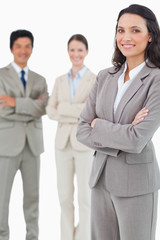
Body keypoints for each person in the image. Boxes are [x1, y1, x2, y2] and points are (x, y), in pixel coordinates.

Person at [76, 4, 160, 240]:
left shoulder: (156, 79)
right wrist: (123, 130)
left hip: (136, 185)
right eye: (121, 30)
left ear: (150, 35)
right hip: (100, 180)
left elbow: (136, 141)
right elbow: (81, 130)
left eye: (135, 30)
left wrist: (98, 125)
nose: (126, 37)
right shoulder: (105, 76)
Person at [46, 34, 96, 240]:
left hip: (84, 144)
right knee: (64, 197)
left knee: (85, 198)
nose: (76, 54)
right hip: (62, 144)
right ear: (68, 52)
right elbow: (50, 110)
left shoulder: (95, 79)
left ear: (86, 52)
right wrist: (78, 110)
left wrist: (64, 108)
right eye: (72, 50)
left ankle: (83, 237)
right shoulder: (59, 80)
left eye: (80, 50)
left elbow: (92, 112)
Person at [0, 29, 48, 240]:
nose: (23, 50)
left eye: (27, 46)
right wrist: (31, 108)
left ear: (32, 49)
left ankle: (32, 237)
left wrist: (15, 102)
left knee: (32, 198)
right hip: (7, 145)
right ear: (11, 48)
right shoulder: (1, 76)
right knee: (1, 199)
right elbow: (3, 110)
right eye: (19, 46)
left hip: (33, 146)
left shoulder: (40, 79)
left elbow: (43, 108)